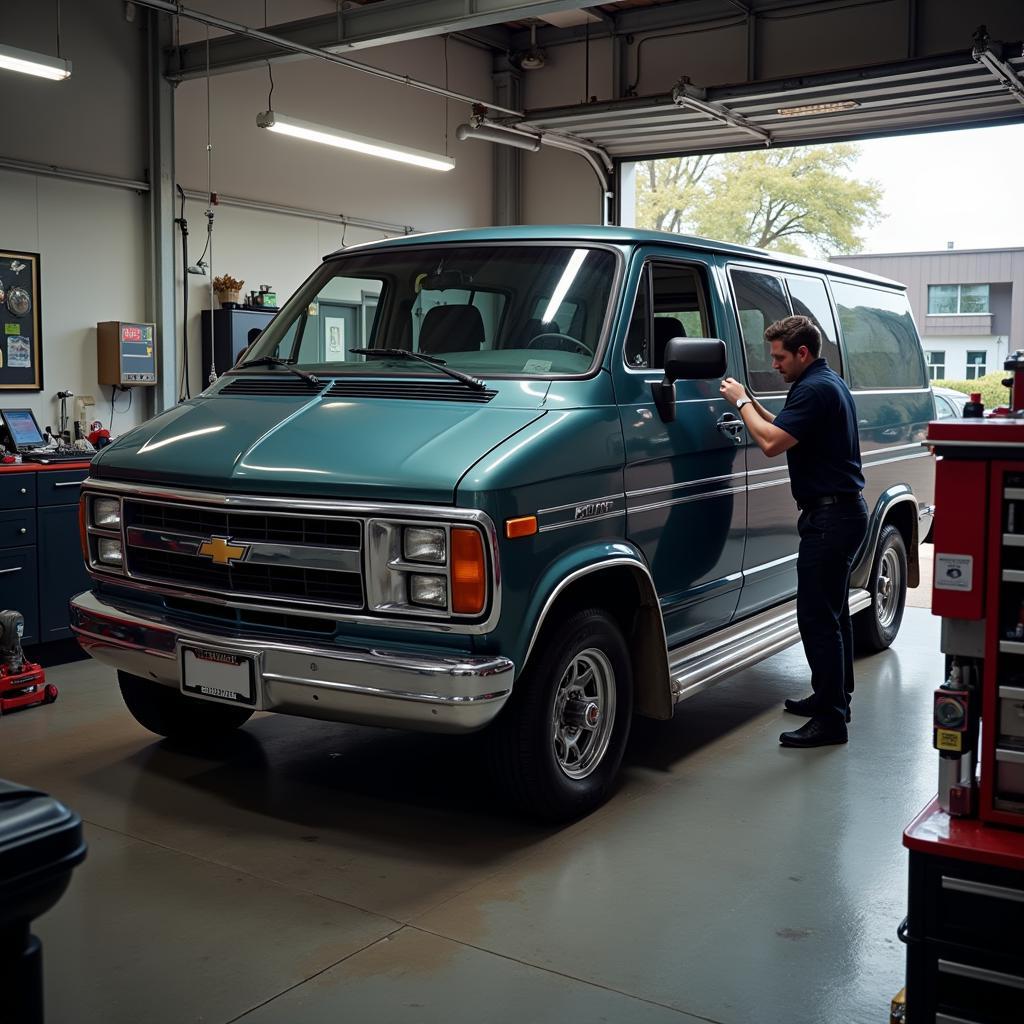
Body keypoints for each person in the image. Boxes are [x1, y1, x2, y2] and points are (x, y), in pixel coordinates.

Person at [719, 315, 867, 748]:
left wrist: (742, 402)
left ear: (802, 352)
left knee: (817, 619)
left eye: (780, 357)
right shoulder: (824, 382)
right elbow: (783, 426)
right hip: (841, 514)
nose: (776, 364)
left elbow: (769, 443)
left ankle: (831, 720)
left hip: (831, 519)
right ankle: (834, 698)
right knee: (834, 612)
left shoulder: (816, 389)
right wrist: (750, 403)